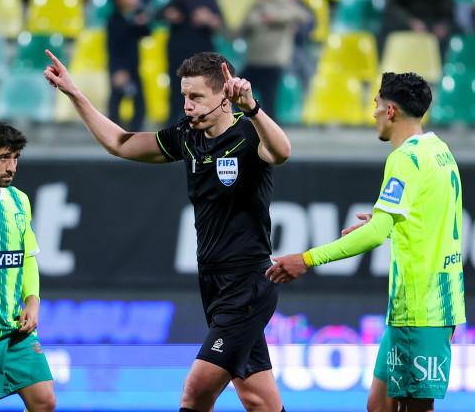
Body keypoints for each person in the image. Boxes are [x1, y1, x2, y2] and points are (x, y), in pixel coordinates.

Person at [44, 50, 291, 412]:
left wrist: (252, 108)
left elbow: (281, 152)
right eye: (184, 97)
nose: (187, 106)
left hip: (247, 284)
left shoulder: (249, 133)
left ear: (224, 97)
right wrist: (75, 94)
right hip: (213, 283)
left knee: (195, 392)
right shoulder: (187, 136)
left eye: (196, 97)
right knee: (259, 401)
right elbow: (120, 142)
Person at [267, 72, 466, 412]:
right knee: (379, 405)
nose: (373, 113)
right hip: (432, 302)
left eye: (376, 105)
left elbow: (373, 235)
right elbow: (430, 211)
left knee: (416, 408)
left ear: (391, 111)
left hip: (421, 308)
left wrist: (308, 259)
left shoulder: (404, 158)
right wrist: (385, 221)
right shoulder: (438, 150)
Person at [0, 119, 55, 412]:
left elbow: (27, 257)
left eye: (15, 158)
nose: (12, 167)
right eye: (3, 157)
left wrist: (32, 301)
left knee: (44, 399)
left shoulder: (19, 200)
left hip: (13, 328)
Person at [239, 0, 311, 119]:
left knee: (269, 100)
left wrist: (275, 18)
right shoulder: (256, 5)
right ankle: (247, 125)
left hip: (273, 61)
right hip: (254, 60)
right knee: (237, 92)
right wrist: (256, 21)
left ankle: (270, 131)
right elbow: (244, 28)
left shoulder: (282, 3)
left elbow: (302, 15)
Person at [163, 0, 223, 127]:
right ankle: (175, 129)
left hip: (203, 55)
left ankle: (202, 128)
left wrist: (208, 19)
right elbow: (162, 14)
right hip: (180, 53)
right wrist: (172, 15)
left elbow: (220, 24)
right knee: (178, 92)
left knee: (204, 91)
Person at [106, 0, 151, 131]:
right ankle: (113, 134)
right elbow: (114, 48)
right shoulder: (114, 20)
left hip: (134, 67)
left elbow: (146, 33)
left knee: (140, 104)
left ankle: (134, 135)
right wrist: (118, 70)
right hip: (120, 67)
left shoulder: (134, 17)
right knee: (116, 102)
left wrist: (141, 23)